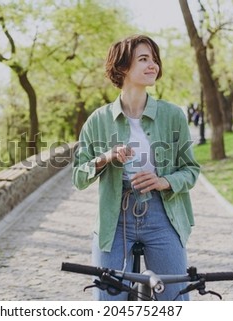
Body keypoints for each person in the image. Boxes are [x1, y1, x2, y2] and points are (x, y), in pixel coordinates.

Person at [72, 34, 200, 301]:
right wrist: (106, 158)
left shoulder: (172, 115)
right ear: (122, 67)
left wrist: (163, 182)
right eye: (143, 59)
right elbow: (78, 176)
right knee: (109, 302)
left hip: (162, 214)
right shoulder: (98, 120)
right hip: (115, 219)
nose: (152, 65)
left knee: (175, 298)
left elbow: (191, 170)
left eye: (154, 59)